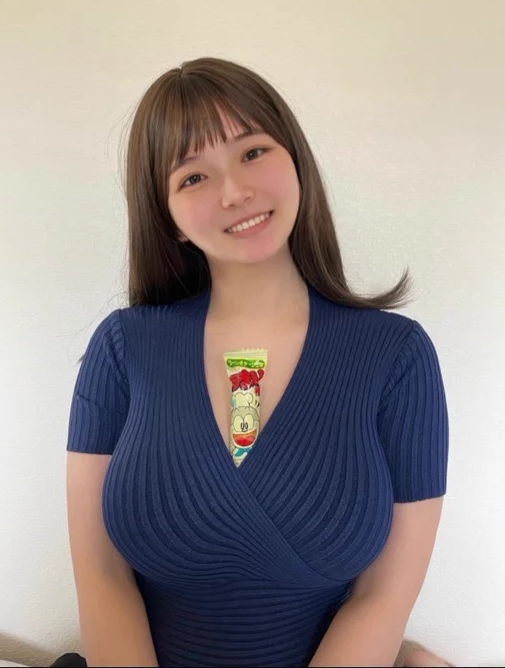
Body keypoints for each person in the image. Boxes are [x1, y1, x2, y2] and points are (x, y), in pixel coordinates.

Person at [66, 57, 454, 667]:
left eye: (252, 152)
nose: (234, 192)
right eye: (193, 177)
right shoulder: (122, 349)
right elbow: (101, 577)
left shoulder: (398, 358)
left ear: (295, 159)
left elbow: (383, 598)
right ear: (167, 216)